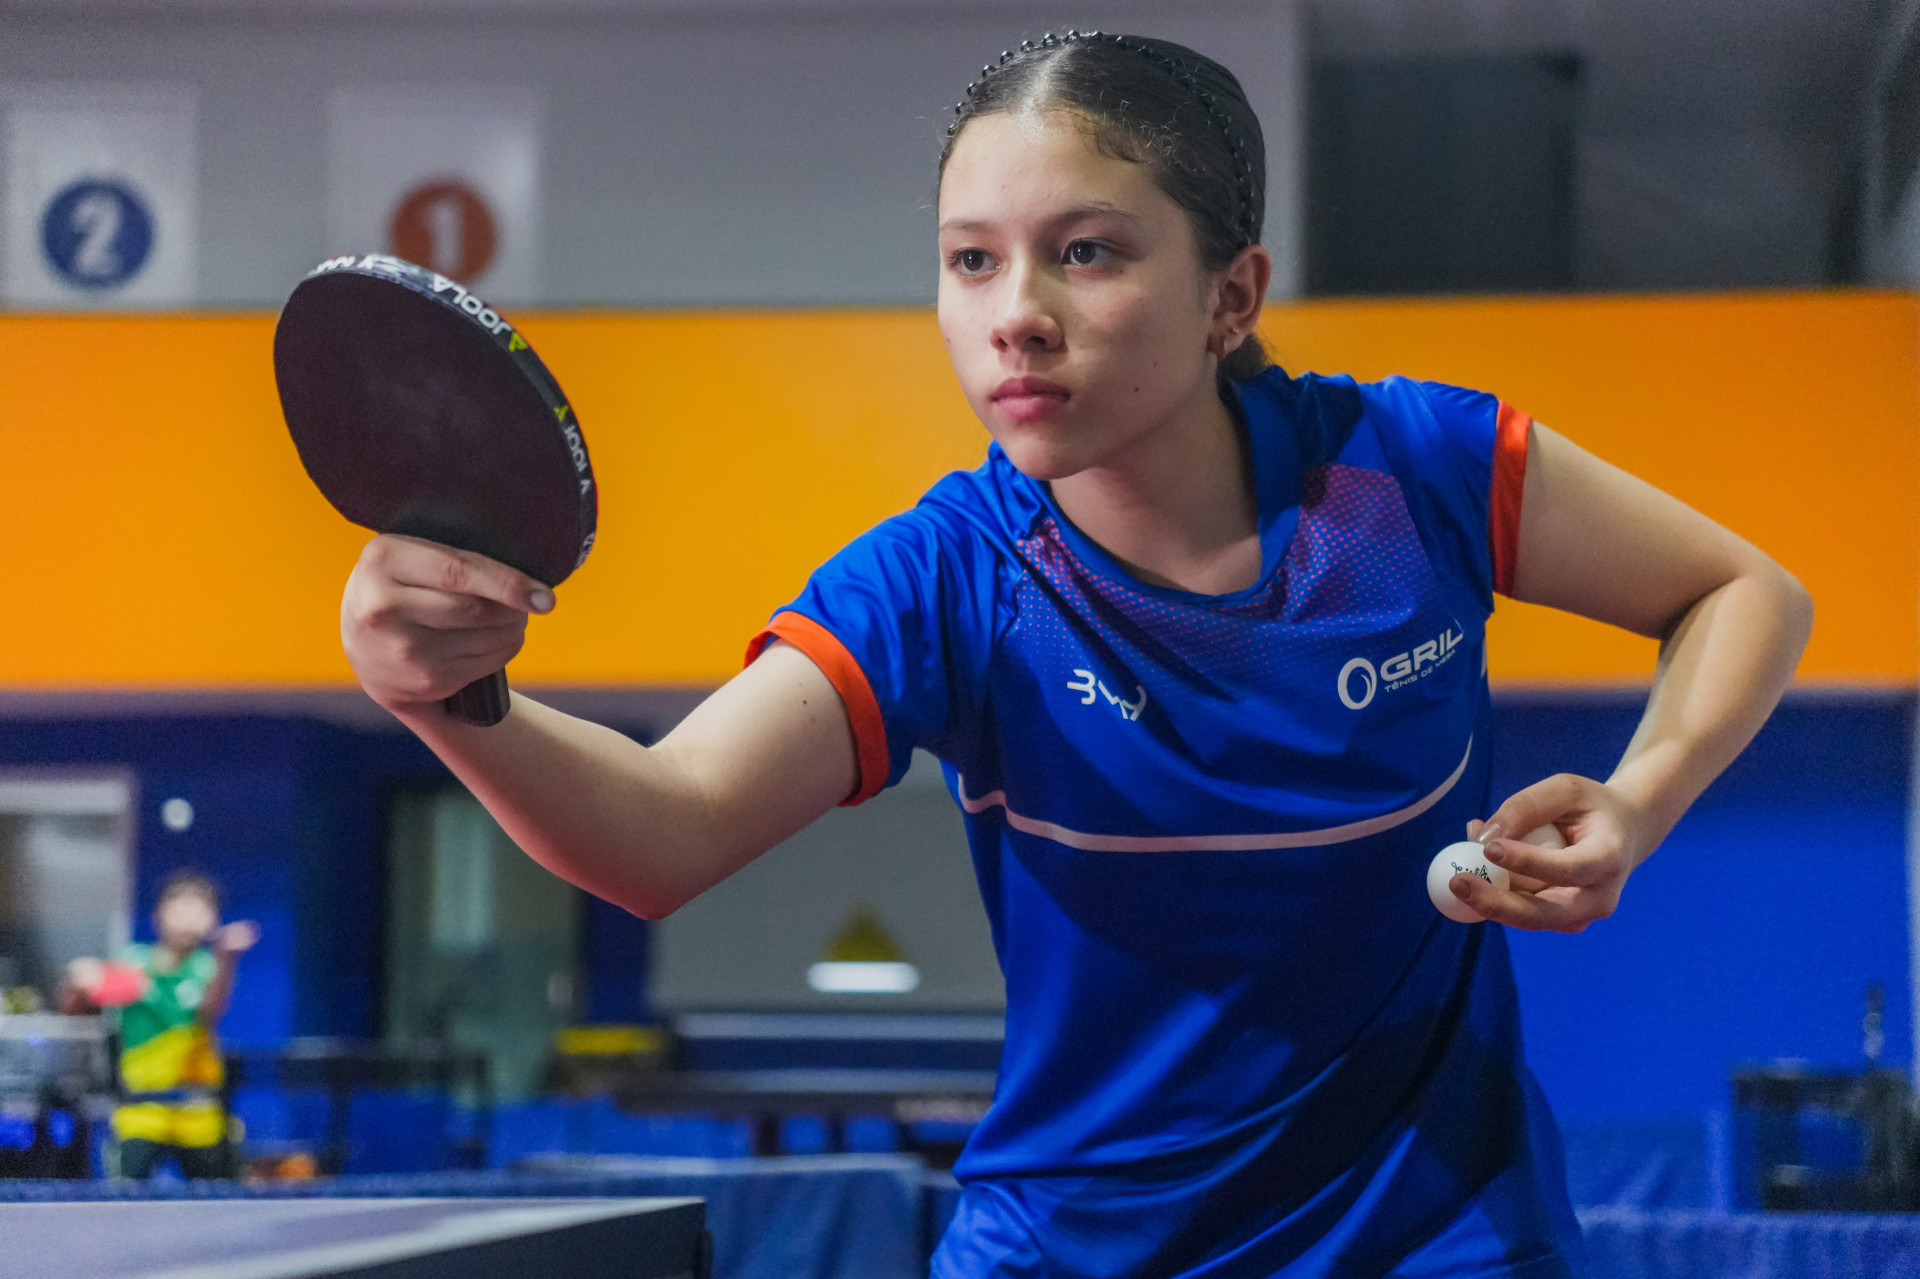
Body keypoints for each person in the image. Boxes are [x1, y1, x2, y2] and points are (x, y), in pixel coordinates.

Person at [336, 31, 1811, 1277]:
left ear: (1232, 294)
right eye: (971, 261)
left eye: (1085, 253)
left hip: (1433, 1227)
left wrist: (1641, 796)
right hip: (1078, 1241)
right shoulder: (951, 576)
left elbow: (1746, 589)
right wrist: (456, 697)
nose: (1015, 318)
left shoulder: (1408, 472)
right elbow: (667, 828)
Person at [65, 870, 258, 1180]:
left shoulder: (209, 967)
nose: (188, 916)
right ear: (158, 916)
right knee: (123, 1207)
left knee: (218, 1207)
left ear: (213, 920)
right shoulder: (131, 961)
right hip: (141, 1111)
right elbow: (80, 1004)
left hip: (198, 1113)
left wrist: (227, 960)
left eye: (199, 908)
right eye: (179, 906)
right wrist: (77, 982)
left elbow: (211, 1008)